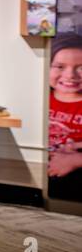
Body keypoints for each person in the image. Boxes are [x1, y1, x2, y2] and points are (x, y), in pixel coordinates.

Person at [48, 35, 82, 199]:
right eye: (60, 66)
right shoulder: (38, 97)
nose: (70, 75)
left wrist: (76, 160)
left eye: (81, 67)